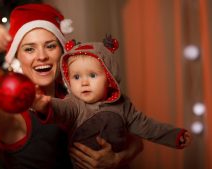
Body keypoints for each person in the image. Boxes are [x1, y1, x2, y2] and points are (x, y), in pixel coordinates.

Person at [0, 3, 143, 169]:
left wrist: (117, 159)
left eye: (50, 46)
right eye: (29, 49)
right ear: (17, 56)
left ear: (62, 52)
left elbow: (135, 140)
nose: (41, 56)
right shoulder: (13, 112)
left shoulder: (84, 91)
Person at [32, 39, 193, 168]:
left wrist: (174, 135)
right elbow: (61, 109)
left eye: (92, 75)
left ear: (109, 79)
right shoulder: (75, 104)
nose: (84, 83)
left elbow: (147, 126)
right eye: (76, 77)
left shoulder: (123, 105)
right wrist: (44, 105)